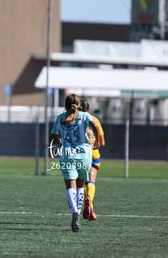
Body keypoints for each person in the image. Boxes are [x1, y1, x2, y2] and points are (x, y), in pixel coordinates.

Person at [50, 93, 99, 232]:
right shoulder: (84, 116)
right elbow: (95, 124)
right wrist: (95, 140)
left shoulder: (60, 118)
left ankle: (75, 213)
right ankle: (79, 209)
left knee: (70, 186)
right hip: (84, 155)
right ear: (78, 105)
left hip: (67, 155)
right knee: (80, 185)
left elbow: (52, 135)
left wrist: (57, 139)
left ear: (65, 106)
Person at [79, 98, 106, 221]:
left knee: (82, 183)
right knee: (91, 182)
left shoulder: (75, 120)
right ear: (89, 108)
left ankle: (88, 204)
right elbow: (102, 142)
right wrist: (96, 144)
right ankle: (90, 203)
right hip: (94, 153)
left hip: (82, 153)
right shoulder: (95, 120)